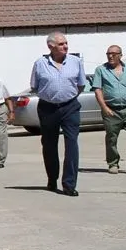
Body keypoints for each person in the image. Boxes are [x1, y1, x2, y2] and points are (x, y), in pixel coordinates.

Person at [30, 32, 86, 196]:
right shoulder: (40, 64)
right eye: (61, 44)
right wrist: (50, 96)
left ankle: (69, 184)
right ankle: (52, 178)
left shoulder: (75, 62)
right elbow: (34, 86)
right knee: (49, 144)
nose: (65, 46)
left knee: (72, 143)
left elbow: (81, 84)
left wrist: (68, 96)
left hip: (70, 107)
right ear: (51, 46)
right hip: (48, 108)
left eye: (66, 43)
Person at [92, 45, 126, 176]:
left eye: (113, 53)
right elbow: (97, 90)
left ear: (120, 55)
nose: (110, 56)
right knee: (111, 138)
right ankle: (113, 164)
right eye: (108, 54)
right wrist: (104, 107)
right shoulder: (101, 70)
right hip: (111, 110)